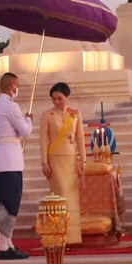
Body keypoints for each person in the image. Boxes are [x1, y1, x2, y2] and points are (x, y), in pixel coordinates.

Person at [0, 72, 34, 260]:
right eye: (17, 85)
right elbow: (25, 132)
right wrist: (29, 119)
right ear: (11, 87)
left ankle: (7, 243)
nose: (18, 89)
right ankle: (3, 247)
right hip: (9, 160)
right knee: (10, 202)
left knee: (2, 202)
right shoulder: (11, 106)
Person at [40, 82, 87, 247]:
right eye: (54, 99)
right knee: (59, 196)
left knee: (71, 198)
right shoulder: (47, 115)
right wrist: (44, 161)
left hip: (71, 158)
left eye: (60, 98)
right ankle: (59, 235)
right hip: (55, 159)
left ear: (67, 97)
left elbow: (80, 137)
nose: (57, 102)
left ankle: (73, 237)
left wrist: (83, 159)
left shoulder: (75, 114)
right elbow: (43, 139)